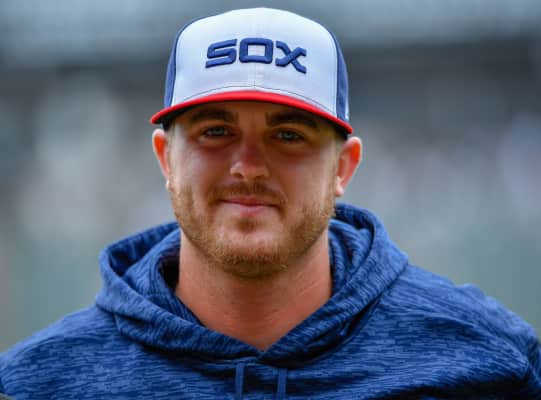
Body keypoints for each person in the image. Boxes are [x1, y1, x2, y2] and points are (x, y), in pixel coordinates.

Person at [0, 7, 540, 399]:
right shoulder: (37, 382)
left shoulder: (490, 358)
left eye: (288, 136)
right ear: (166, 159)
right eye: (215, 131)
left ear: (343, 167)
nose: (249, 166)